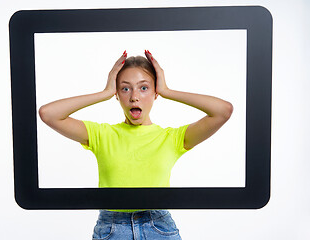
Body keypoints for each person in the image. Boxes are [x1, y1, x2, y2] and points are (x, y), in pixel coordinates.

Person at [39, 50, 233, 239]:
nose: (134, 97)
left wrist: (167, 91)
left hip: (159, 227)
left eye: (143, 87)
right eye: (125, 88)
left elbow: (223, 111)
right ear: (117, 94)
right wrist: (104, 92)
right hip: (112, 228)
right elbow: (48, 114)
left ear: (155, 92)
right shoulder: (101, 134)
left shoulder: (171, 138)